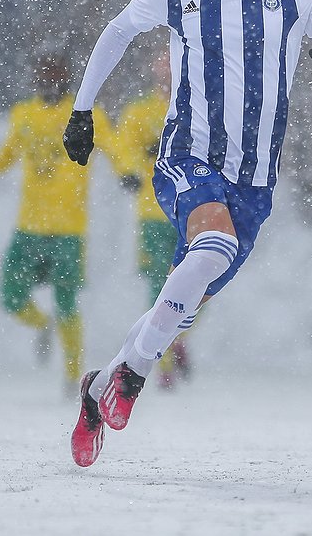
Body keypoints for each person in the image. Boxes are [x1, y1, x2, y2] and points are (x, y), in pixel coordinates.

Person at [64, 0, 312, 468]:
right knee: (207, 250)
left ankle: (101, 382)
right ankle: (131, 380)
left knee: (183, 299)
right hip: (189, 157)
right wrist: (83, 109)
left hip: (255, 183)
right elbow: (116, 32)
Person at [0, 55, 118, 394]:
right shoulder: (24, 115)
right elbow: (9, 152)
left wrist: (127, 172)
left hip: (69, 228)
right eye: (43, 73)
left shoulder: (84, 115)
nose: (49, 79)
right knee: (11, 296)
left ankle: (72, 373)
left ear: (67, 79)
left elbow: (112, 145)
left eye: (57, 73)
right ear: (35, 78)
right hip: (29, 226)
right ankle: (42, 323)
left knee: (67, 300)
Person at [114, 51, 191, 389]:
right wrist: (130, 172)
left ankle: (177, 339)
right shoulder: (139, 113)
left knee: (204, 285)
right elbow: (125, 149)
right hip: (152, 213)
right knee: (158, 289)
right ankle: (162, 364)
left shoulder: (198, 110)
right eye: (165, 72)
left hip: (191, 211)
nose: (168, 79)